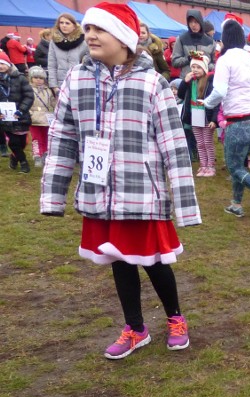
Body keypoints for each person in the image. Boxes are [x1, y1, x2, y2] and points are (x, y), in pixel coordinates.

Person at [40, 2, 200, 359]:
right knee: (120, 260)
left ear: (125, 38)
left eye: (101, 29)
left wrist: (185, 207)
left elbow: (174, 146)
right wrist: (53, 196)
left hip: (143, 195)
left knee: (155, 261)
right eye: (88, 29)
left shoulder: (152, 83)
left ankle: (175, 318)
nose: (91, 35)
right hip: (100, 194)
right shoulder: (76, 80)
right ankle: (135, 327)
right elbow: (62, 138)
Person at [204, 17, 250, 220]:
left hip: (239, 121)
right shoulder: (249, 58)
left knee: (234, 166)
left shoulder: (225, 59)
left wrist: (207, 104)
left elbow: (219, 91)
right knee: (239, 163)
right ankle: (236, 204)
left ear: (225, 38)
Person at [177, 53, 218, 177]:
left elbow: (215, 101)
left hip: (206, 116)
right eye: (193, 67)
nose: (195, 70)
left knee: (207, 142)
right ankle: (203, 165)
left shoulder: (209, 82)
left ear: (204, 69)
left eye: (198, 67)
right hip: (194, 115)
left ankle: (211, 166)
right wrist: (184, 81)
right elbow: (180, 94)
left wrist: (214, 119)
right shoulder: (190, 82)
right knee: (199, 143)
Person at [0, 52, 33, 173]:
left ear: (8, 64)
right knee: (13, 142)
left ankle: (14, 158)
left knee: (22, 142)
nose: (1, 67)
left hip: (20, 115)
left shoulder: (20, 78)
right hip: (5, 118)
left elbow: (29, 96)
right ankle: (24, 163)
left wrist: (21, 110)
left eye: (3, 63)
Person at [48, 13, 88, 95]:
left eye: (67, 23)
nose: (64, 25)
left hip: (79, 82)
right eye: (61, 23)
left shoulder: (83, 42)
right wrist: (54, 86)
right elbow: (52, 64)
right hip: (60, 85)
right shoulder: (54, 42)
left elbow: (89, 63)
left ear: (74, 25)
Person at [170, 10, 216, 78]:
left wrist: (204, 64)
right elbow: (175, 62)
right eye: (190, 22)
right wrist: (188, 58)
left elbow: (214, 63)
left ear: (200, 22)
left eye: (196, 22)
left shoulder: (210, 41)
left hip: (205, 81)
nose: (193, 25)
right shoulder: (181, 39)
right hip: (187, 80)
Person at [27, 65, 54, 168]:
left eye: (41, 78)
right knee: (36, 138)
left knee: (46, 137)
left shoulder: (48, 91)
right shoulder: (29, 90)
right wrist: (30, 114)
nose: (38, 80)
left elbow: (52, 102)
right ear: (31, 78)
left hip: (46, 118)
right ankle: (37, 155)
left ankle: (45, 154)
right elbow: (27, 102)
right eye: (36, 78)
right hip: (34, 118)